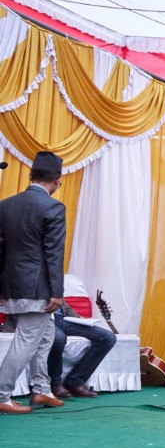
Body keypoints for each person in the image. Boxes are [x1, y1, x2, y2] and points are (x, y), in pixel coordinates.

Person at [0, 151, 67, 414]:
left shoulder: (5, 205)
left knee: (46, 334)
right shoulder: (53, 207)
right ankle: (2, 394)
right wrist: (57, 292)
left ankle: (41, 390)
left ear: (30, 175)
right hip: (38, 287)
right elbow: (54, 253)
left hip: (12, 283)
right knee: (27, 340)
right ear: (58, 180)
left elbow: (1, 249)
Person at [47, 299, 116, 399]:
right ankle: (54, 383)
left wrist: (79, 319)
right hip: (44, 319)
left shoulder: (56, 289)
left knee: (108, 338)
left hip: (63, 320)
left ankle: (75, 381)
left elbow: (63, 303)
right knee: (58, 339)